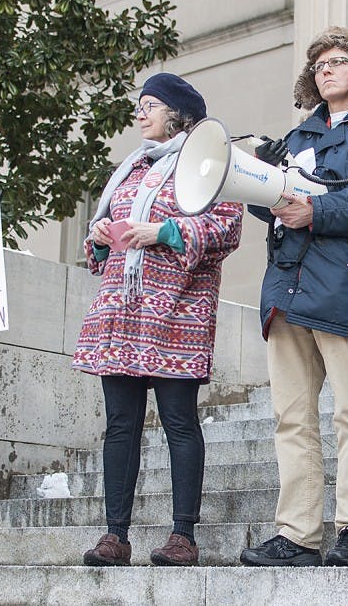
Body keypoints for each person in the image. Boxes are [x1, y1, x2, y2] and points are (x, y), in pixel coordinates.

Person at [238, 27, 348, 567]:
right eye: (319, 65)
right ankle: (297, 534)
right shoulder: (297, 137)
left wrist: (317, 210)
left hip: (347, 285)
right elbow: (268, 207)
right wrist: (258, 181)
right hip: (289, 285)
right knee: (292, 416)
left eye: (339, 61)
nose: (327, 71)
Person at [73, 73, 243, 567]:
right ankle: (114, 535)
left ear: (177, 113)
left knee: (178, 421)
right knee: (121, 425)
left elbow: (226, 226)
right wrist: (102, 235)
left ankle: (183, 536)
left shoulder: (208, 160)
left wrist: (165, 230)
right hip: (123, 312)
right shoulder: (129, 169)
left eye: (150, 105)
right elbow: (99, 244)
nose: (140, 113)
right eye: (140, 105)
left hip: (177, 312)